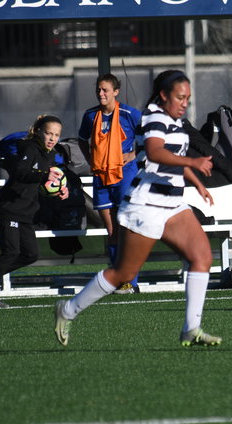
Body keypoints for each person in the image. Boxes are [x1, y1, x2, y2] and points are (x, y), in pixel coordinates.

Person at [54, 70, 221, 348]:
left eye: (188, 98)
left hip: (172, 203)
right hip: (146, 205)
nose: (185, 103)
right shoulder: (154, 117)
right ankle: (67, 310)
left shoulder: (175, 121)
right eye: (180, 97)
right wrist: (193, 163)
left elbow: (173, 159)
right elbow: (155, 152)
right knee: (123, 274)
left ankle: (191, 329)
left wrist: (197, 183)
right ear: (164, 95)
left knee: (202, 257)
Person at [0, 115, 69, 308]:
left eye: (56, 135)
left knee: (30, 255)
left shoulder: (50, 154)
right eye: (49, 133)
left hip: (26, 211)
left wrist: (60, 189)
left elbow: (42, 180)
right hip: (9, 207)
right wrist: (44, 174)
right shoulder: (29, 148)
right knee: (11, 251)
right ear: (39, 132)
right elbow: (20, 172)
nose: (52, 138)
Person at [78, 73, 142, 294]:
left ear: (116, 92)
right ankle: (119, 280)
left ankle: (131, 282)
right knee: (112, 230)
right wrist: (91, 160)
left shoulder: (129, 114)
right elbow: (82, 139)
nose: (101, 93)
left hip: (125, 175)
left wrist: (132, 155)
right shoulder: (90, 115)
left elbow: (149, 137)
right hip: (101, 177)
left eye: (105, 89)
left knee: (126, 228)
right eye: (98, 89)